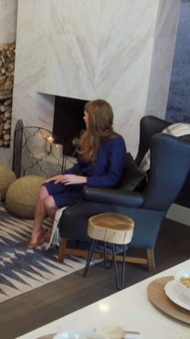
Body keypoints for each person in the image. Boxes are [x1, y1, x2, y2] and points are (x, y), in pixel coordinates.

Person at [27, 99, 126, 249]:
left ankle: (60, 233)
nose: (83, 117)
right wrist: (62, 175)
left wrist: (82, 179)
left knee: (49, 202)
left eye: (86, 114)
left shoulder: (116, 142)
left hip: (91, 190)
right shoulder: (89, 135)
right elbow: (80, 166)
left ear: (95, 118)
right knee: (43, 188)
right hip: (78, 182)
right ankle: (36, 233)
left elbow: (113, 178)